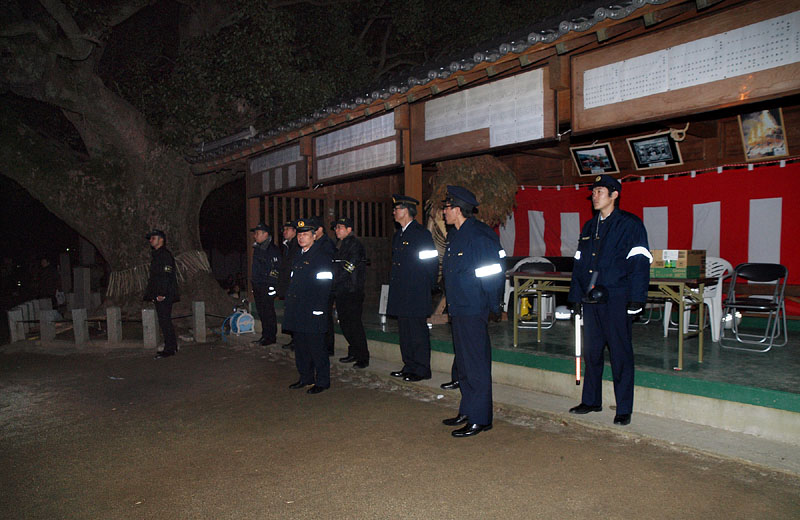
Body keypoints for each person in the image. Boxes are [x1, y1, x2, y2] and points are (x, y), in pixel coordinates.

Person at [567, 174, 651, 426]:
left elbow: (640, 261)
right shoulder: (589, 227)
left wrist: (637, 298)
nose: (594, 196)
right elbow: (579, 263)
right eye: (593, 192)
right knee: (592, 352)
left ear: (614, 195)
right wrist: (575, 297)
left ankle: (624, 408)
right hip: (591, 300)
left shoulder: (630, 224)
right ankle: (591, 400)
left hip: (617, 298)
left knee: (620, 354)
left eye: (600, 191)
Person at [440, 186, 505, 437]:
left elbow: (492, 273)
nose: (444, 212)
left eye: (447, 208)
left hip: (473, 307)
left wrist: (493, 305)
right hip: (458, 307)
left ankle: (481, 418)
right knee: (465, 364)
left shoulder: (479, 235)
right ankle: (467, 410)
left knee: (476, 365)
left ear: (457, 210)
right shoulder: (456, 234)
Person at [386, 194, 439, 382]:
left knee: (417, 332)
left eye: (397, 208)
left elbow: (430, 263)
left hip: (416, 291)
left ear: (406, 211)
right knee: (405, 332)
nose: (394, 212)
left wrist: (427, 288)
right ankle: (409, 365)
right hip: (402, 292)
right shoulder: (398, 235)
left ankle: (422, 369)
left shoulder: (420, 233)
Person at [283, 218, 334, 394]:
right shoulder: (298, 255)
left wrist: (319, 309)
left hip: (313, 309)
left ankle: (322, 381)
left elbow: (325, 286)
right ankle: (305, 377)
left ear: (314, 236)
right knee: (301, 347)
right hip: (298, 309)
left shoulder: (321, 256)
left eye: (305, 234)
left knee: (317, 348)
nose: (301, 237)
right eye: (299, 234)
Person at [332, 217, 370, 368]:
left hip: (352, 290)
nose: (337, 230)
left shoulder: (355, 245)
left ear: (349, 229)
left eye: (340, 227)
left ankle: (363, 356)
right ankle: (353, 351)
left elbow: (349, 268)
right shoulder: (340, 244)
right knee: (345, 324)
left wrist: (335, 279)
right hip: (342, 290)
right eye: (336, 227)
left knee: (354, 324)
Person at [143, 229, 179, 359]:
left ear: (161, 240)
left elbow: (166, 275)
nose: (151, 240)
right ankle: (171, 346)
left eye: (154, 238)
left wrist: (162, 293)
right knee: (164, 320)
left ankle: (169, 349)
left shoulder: (165, 255)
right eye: (150, 238)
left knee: (165, 321)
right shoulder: (157, 255)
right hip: (158, 294)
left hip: (164, 294)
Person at [250, 222, 281, 346]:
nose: (255, 236)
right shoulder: (258, 248)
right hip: (258, 285)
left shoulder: (272, 250)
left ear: (265, 234)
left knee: (268, 311)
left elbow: (275, 269)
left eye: (257, 233)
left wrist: (272, 285)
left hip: (266, 285)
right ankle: (265, 335)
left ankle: (270, 336)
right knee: (262, 311)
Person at [313, 217, 337, 355]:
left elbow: (327, 267)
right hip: (318, 286)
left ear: (320, 229)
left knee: (326, 318)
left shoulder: (326, 244)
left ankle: (328, 347)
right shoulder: (317, 243)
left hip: (326, 287)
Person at [278, 220, 299, 349]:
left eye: (288, 229)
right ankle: (294, 339)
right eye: (284, 230)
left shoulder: (296, 246)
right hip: (288, 286)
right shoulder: (286, 246)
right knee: (291, 314)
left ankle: (297, 340)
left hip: (294, 286)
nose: (284, 232)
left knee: (295, 314)